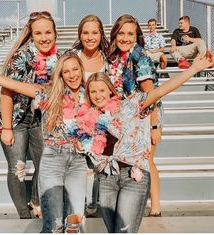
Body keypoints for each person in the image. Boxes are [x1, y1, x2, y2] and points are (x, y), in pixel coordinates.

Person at [76, 51, 213, 233]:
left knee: (124, 231)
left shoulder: (131, 104)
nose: (98, 95)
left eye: (101, 90)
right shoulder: (87, 119)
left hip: (133, 176)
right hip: (106, 179)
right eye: (93, 91)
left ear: (110, 90)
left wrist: (194, 68)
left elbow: (162, 90)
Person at [0, 52, 88, 233]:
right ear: (60, 75)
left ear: (81, 70)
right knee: (54, 224)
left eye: (75, 69)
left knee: (75, 224)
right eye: (66, 71)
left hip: (78, 163)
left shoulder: (90, 95)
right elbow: (12, 84)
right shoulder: (48, 94)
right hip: (53, 162)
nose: (72, 75)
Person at [0, 11, 58, 219]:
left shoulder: (57, 58)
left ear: (55, 34)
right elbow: (6, 92)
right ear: (31, 35)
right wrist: (7, 128)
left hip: (39, 119)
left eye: (48, 32)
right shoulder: (21, 57)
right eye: (38, 33)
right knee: (17, 169)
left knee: (47, 163)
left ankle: (36, 201)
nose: (44, 37)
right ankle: (24, 216)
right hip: (15, 119)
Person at [108, 14, 163, 217]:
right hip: (131, 118)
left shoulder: (140, 56)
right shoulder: (117, 58)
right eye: (121, 33)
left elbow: (151, 95)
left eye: (130, 34)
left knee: (147, 161)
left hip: (148, 118)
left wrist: (154, 127)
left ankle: (155, 207)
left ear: (136, 36)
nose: (125, 37)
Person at [72, 14, 110, 217]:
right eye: (85, 32)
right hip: (77, 118)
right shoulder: (72, 57)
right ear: (79, 35)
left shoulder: (109, 58)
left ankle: (94, 204)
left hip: (103, 118)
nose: (90, 36)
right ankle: (80, 204)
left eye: (94, 32)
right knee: (81, 166)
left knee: (97, 164)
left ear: (101, 34)